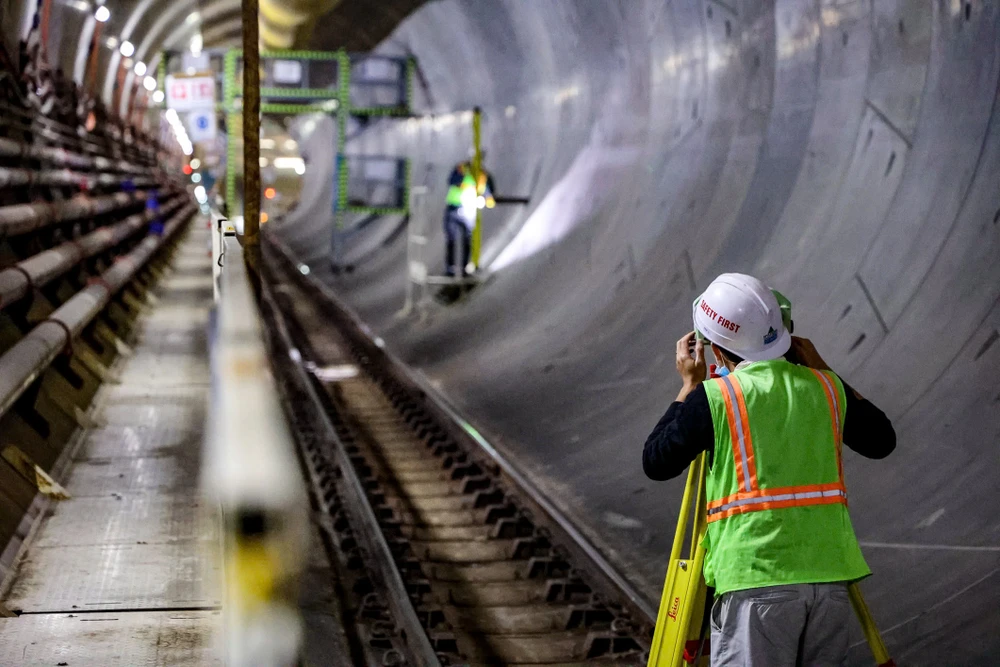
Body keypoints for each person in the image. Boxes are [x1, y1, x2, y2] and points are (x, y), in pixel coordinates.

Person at [642, 273, 896, 667]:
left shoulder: (717, 397)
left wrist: (689, 385)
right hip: (829, 582)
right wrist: (824, 369)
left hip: (755, 581)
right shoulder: (826, 388)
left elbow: (656, 461)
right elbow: (881, 439)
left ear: (715, 348)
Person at [443, 154, 495, 277]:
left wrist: (488, 198)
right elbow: (452, 181)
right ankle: (450, 269)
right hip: (453, 208)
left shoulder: (482, 175)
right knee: (452, 240)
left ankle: (465, 268)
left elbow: (488, 189)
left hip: (469, 211)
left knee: (467, 240)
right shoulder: (461, 169)